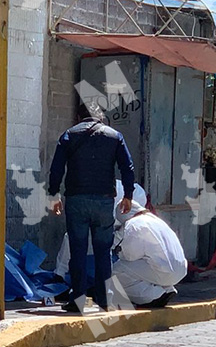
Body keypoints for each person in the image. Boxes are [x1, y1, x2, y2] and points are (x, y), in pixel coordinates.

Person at [48, 104, 135, 314]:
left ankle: (77, 301)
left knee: (77, 251)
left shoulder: (69, 135)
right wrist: (128, 196)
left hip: (77, 200)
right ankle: (105, 300)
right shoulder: (115, 136)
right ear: (100, 117)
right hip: (104, 201)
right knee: (103, 251)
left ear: (78, 117)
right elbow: (128, 167)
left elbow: (56, 168)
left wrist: (54, 195)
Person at [113, 200, 188, 308]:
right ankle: (168, 290)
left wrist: (119, 251)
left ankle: (152, 296)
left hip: (163, 270)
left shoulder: (133, 224)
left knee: (117, 270)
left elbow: (130, 256)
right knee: (146, 266)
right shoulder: (156, 220)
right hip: (180, 270)